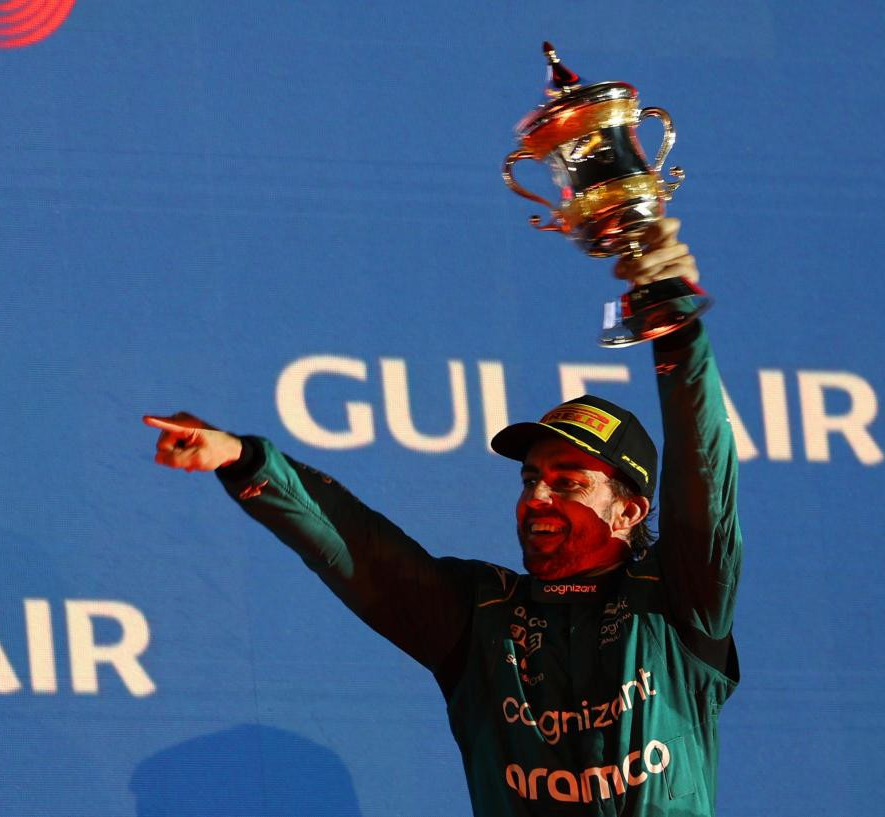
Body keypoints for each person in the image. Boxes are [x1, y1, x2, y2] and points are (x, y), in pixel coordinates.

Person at [144, 219, 741, 816]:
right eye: (531, 479)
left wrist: (675, 329)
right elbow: (359, 547)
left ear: (629, 510)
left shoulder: (676, 602)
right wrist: (246, 461)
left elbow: (703, 480)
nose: (538, 498)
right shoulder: (479, 615)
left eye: (569, 484)